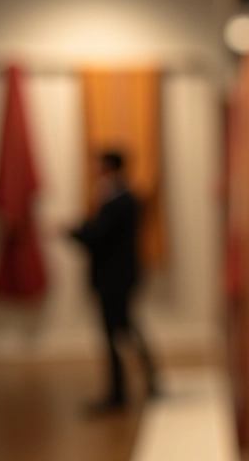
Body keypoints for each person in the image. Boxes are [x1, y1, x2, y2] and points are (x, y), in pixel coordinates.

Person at [68, 150, 158, 412]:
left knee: (116, 332)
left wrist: (74, 231)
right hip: (119, 275)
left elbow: (99, 235)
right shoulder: (121, 196)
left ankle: (120, 393)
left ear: (108, 167)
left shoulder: (118, 200)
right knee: (125, 328)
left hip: (114, 277)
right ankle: (144, 383)